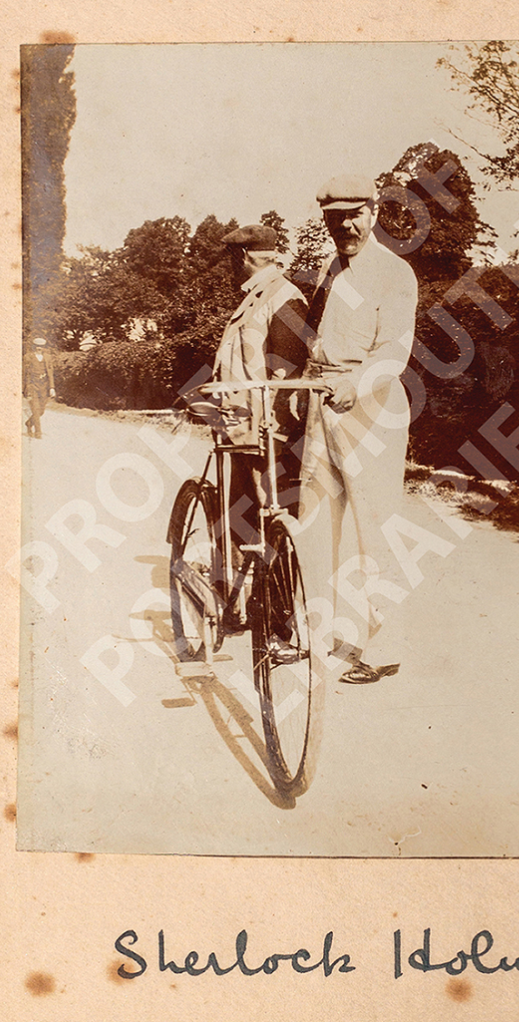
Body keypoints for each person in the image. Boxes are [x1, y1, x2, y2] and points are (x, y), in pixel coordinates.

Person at [298, 174, 418, 685]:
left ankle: (383, 646)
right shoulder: (332, 268)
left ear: (373, 212)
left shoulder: (395, 273)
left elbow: (393, 349)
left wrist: (356, 383)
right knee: (314, 519)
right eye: (333, 217)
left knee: (376, 525)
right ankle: (313, 632)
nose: (344, 225)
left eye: (353, 214)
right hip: (320, 402)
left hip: (371, 409)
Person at [213, 223, 310, 557]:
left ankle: (265, 602)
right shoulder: (256, 297)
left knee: (269, 524)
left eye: (230, 259)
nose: (228, 267)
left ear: (242, 256)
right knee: (241, 522)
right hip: (242, 430)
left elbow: (292, 371)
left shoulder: (283, 296)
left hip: (265, 436)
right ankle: (238, 596)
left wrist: (278, 435)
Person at [24, 336, 55, 438]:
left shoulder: (48, 357)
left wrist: (52, 388)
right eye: (37, 346)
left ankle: (29, 423)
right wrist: (25, 388)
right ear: (34, 346)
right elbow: (25, 374)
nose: (39, 348)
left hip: (44, 386)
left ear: (44, 347)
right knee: (36, 409)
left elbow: (50, 373)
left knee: (41, 411)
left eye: (41, 346)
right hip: (33, 385)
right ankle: (38, 432)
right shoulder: (28, 357)